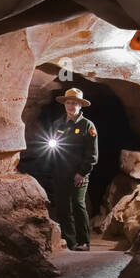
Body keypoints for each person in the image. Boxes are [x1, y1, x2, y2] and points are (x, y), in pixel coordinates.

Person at [46, 87, 98, 251]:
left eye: (75, 103)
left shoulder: (87, 126)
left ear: (80, 106)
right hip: (60, 173)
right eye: (69, 102)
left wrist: (82, 173)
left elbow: (92, 154)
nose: (71, 106)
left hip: (79, 174)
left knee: (77, 204)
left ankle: (84, 241)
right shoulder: (57, 124)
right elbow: (51, 148)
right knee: (62, 206)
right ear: (64, 104)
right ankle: (69, 241)